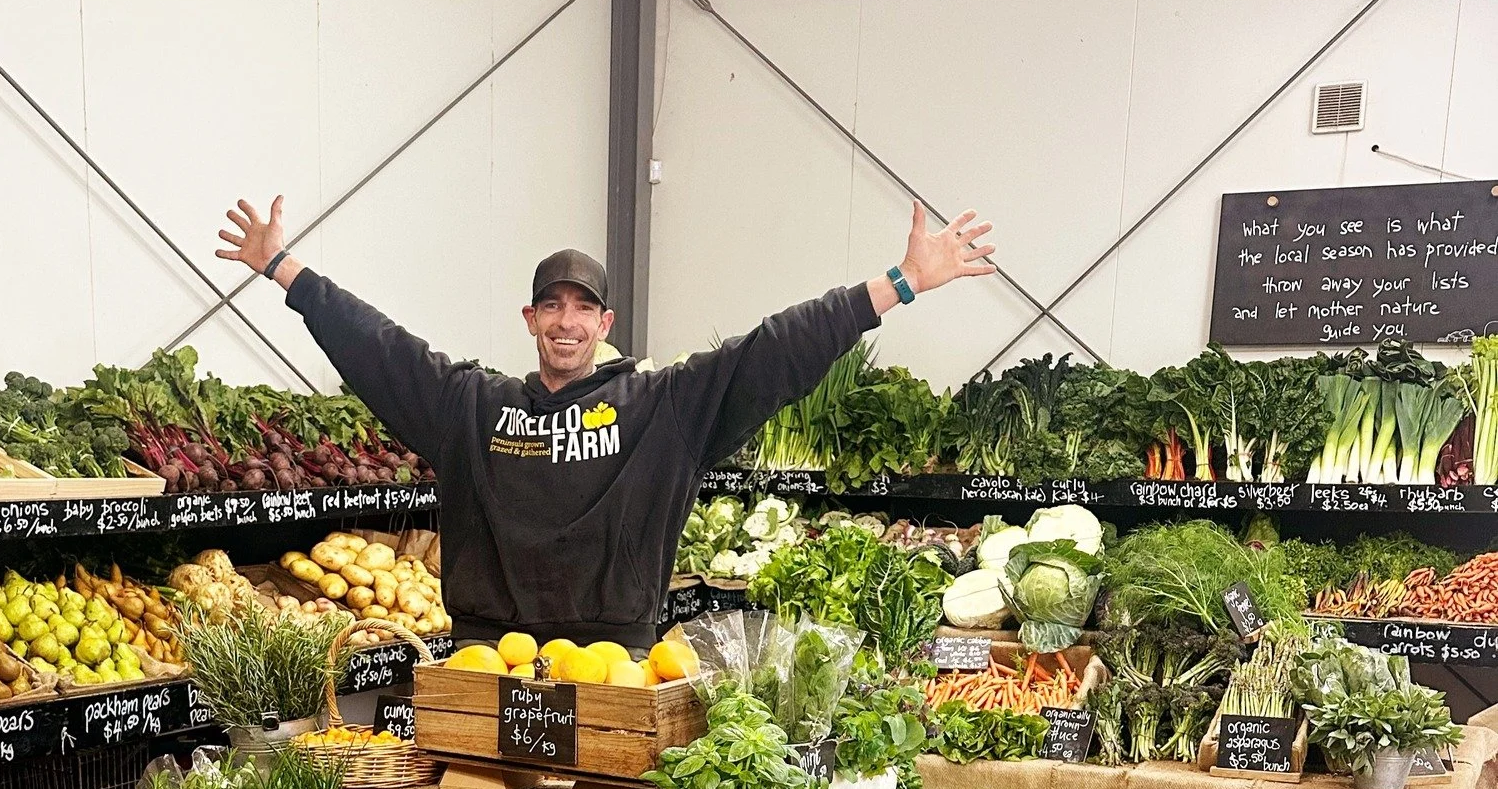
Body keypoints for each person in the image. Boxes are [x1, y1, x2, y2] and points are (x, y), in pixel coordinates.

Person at [217, 195, 996, 642]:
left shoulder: (661, 408)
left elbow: (771, 353)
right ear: (529, 319)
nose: (565, 321)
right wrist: (286, 271)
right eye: (550, 306)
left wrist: (897, 284)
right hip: (491, 656)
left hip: (615, 660)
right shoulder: (475, 407)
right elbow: (379, 348)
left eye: (581, 308)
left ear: (604, 320)